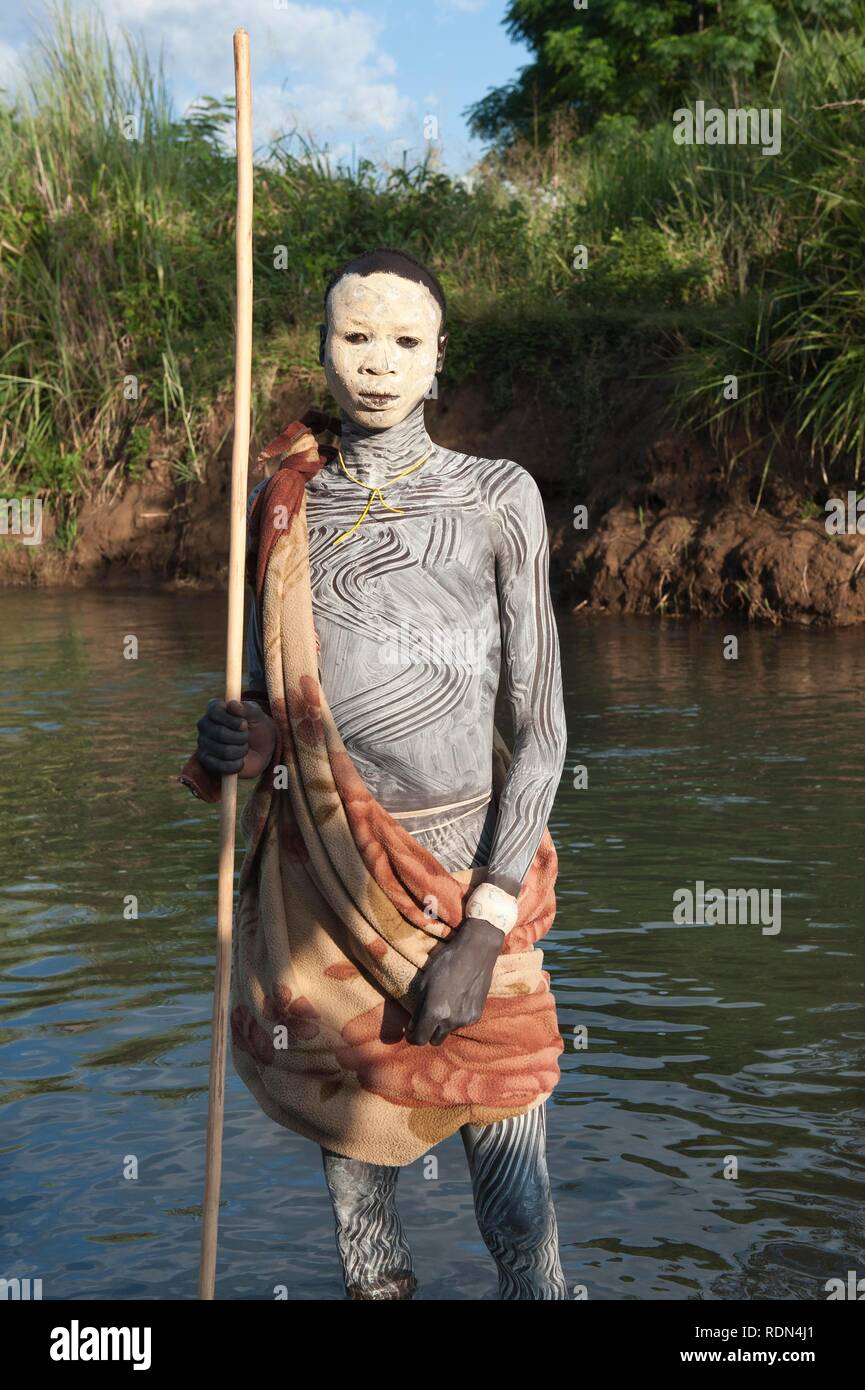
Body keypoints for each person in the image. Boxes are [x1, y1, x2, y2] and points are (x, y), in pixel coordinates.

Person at [189, 247, 569, 1299]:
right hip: (329, 890)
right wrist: (246, 743)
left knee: (516, 1207)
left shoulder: (496, 499)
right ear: (321, 348)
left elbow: (540, 735)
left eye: (404, 340)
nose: (377, 362)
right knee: (361, 1213)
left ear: (437, 358)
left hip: (464, 883)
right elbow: (274, 705)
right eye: (355, 337)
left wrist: (483, 928)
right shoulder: (283, 508)